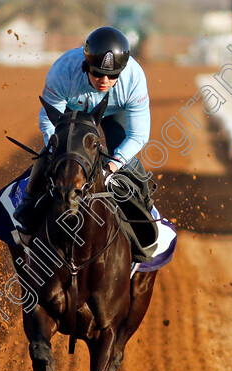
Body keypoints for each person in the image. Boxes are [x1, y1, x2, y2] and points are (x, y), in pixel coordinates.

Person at [14, 26, 155, 237]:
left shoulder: (134, 78)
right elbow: (48, 120)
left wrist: (113, 165)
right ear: (85, 65)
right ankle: (28, 207)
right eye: (97, 73)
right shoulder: (63, 71)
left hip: (116, 112)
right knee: (52, 155)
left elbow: (138, 135)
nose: (104, 81)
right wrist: (55, 148)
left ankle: (145, 210)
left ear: (122, 70)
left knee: (126, 158)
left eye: (112, 75)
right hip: (74, 111)